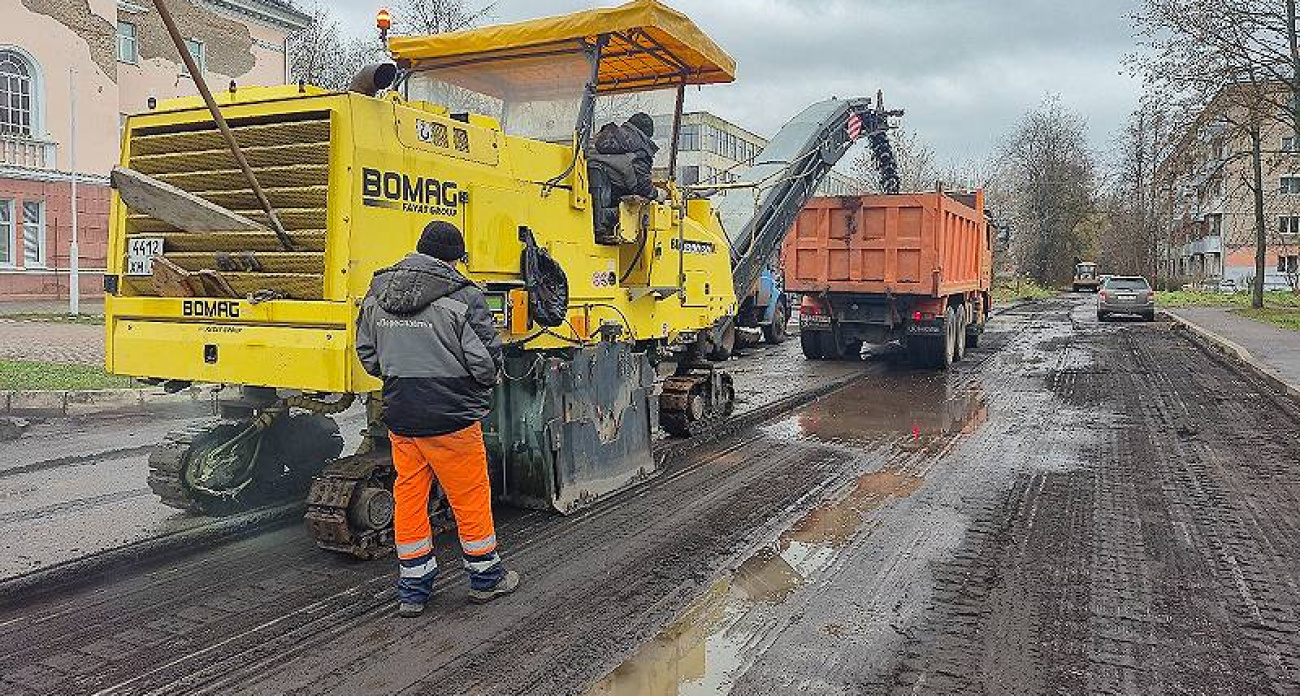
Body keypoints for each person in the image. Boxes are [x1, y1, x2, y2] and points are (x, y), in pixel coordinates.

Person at [355, 220, 520, 618]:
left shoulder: (378, 292)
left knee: (409, 496)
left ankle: (413, 589)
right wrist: (481, 386)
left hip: (402, 414)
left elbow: (368, 354)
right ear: (454, 258)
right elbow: (484, 361)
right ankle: (485, 578)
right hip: (451, 417)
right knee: (469, 496)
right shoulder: (464, 297)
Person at [588, 112, 663, 240]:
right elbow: (642, 186)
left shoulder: (602, 140)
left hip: (590, 203)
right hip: (603, 217)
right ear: (647, 134)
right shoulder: (640, 151)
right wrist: (658, 194)